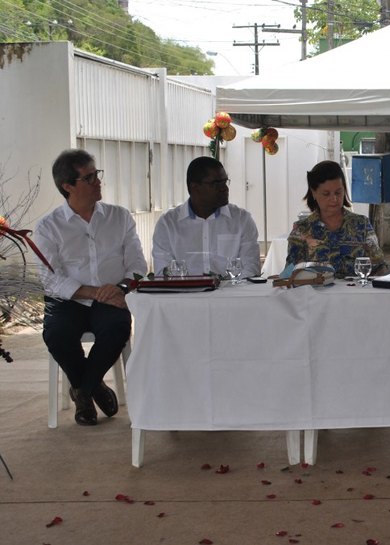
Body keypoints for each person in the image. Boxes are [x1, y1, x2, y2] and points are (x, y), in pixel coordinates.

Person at [35, 149, 147, 426]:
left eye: (97, 174)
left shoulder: (119, 217)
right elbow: (50, 278)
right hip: (68, 300)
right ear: (68, 186)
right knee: (57, 334)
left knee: (117, 328)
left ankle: (82, 391)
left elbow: (137, 265)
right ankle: (93, 385)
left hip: (112, 297)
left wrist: (121, 287)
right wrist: (94, 292)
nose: (98, 182)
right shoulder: (48, 226)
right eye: (89, 178)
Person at [152, 156, 260, 279]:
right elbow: (163, 274)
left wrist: (226, 289)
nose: (224, 188)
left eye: (225, 182)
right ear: (195, 187)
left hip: (232, 291)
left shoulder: (242, 220)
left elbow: (251, 269)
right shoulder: (168, 224)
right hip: (184, 291)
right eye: (216, 183)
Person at [285, 160, 385, 278]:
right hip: (315, 290)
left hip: (356, 289)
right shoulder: (302, 230)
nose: (334, 199)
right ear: (314, 193)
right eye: (326, 194)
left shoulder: (361, 225)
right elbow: (290, 273)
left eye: (338, 192)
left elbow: (379, 267)